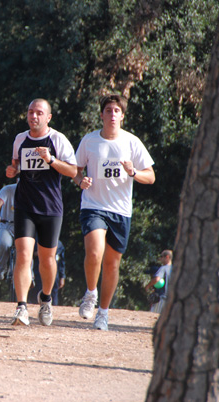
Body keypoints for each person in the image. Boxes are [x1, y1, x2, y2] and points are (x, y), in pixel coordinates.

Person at [74, 94, 155, 331]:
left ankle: (104, 313)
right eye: (108, 110)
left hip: (120, 211)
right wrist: (81, 181)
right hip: (93, 206)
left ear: (122, 116)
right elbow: (75, 170)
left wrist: (133, 173)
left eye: (116, 111)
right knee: (94, 253)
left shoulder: (132, 142)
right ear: (101, 115)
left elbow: (150, 177)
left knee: (111, 264)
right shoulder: (89, 141)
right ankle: (90, 294)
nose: (112, 114)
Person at [5, 98, 77, 326]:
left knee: (46, 259)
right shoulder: (20, 139)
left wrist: (51, 159)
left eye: (39, 113)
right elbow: (16, 166)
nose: (33, 116)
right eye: (30, 112)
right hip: (25, 205)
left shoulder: (58, 139)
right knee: (23, 254)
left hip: (50, 207)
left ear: (48, 117)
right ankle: (21, 308)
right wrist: (12, 170)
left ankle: (45, 299)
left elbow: (73, 170)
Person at [0, 182, 17, 280]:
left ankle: (30, 275)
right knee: (4, 244)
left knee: (26, 250)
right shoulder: (8, 190)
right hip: (6, 225)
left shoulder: (32, 192)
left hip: (23, 227)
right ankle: (0, 269)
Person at [29, 239, 66, 305]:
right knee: (35, 297)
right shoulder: (35, 242)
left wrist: (62, 277)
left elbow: (62, 262)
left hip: (54, 277)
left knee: (53, 296)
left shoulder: (59, 244)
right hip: (37, 275)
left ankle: (53, 310)